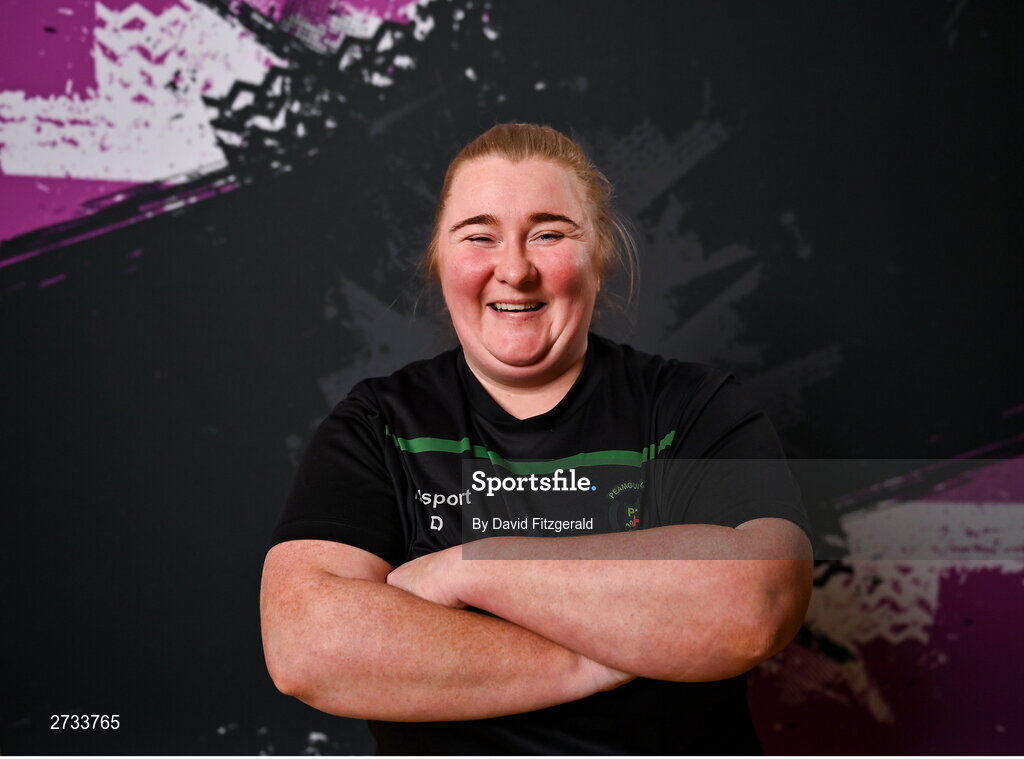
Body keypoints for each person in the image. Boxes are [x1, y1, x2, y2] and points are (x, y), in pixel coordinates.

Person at [261, 123, 813, 754]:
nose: (515, 270)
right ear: (440, 260)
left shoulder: (694, 408)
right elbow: (307, 645)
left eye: (549, 234)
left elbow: (755, 604)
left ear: (599, 257)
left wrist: (466, 569)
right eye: (480, 236)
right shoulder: (378, 425)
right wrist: (596, 659)